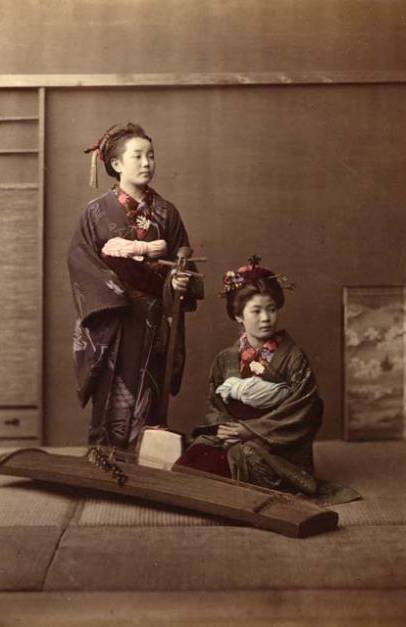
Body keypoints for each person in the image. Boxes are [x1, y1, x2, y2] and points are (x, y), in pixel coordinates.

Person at [176, 255, 359, 504]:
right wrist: (227, 430)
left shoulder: (293, 357)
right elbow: (216, 407)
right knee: (194, 457)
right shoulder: (226, 358)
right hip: (235, 436)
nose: (265, 318)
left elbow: (304, 410)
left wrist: (249, 431)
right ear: (238, 315)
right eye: (257, 311)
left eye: (271, 309)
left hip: (278, 448)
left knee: (245, 458)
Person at [67, 123, 203, 449]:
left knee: (148, 386)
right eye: (138, 156)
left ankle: (145, 459)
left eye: (151, 156)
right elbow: (80, 260)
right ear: (116, 164)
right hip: (114, 318)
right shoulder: (96, 211)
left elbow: (181, 261)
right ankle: (107, 458)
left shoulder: (167, 213)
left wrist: (178, 280)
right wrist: (115, 291)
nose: (147, 163)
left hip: (153, 317)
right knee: (114, 389)